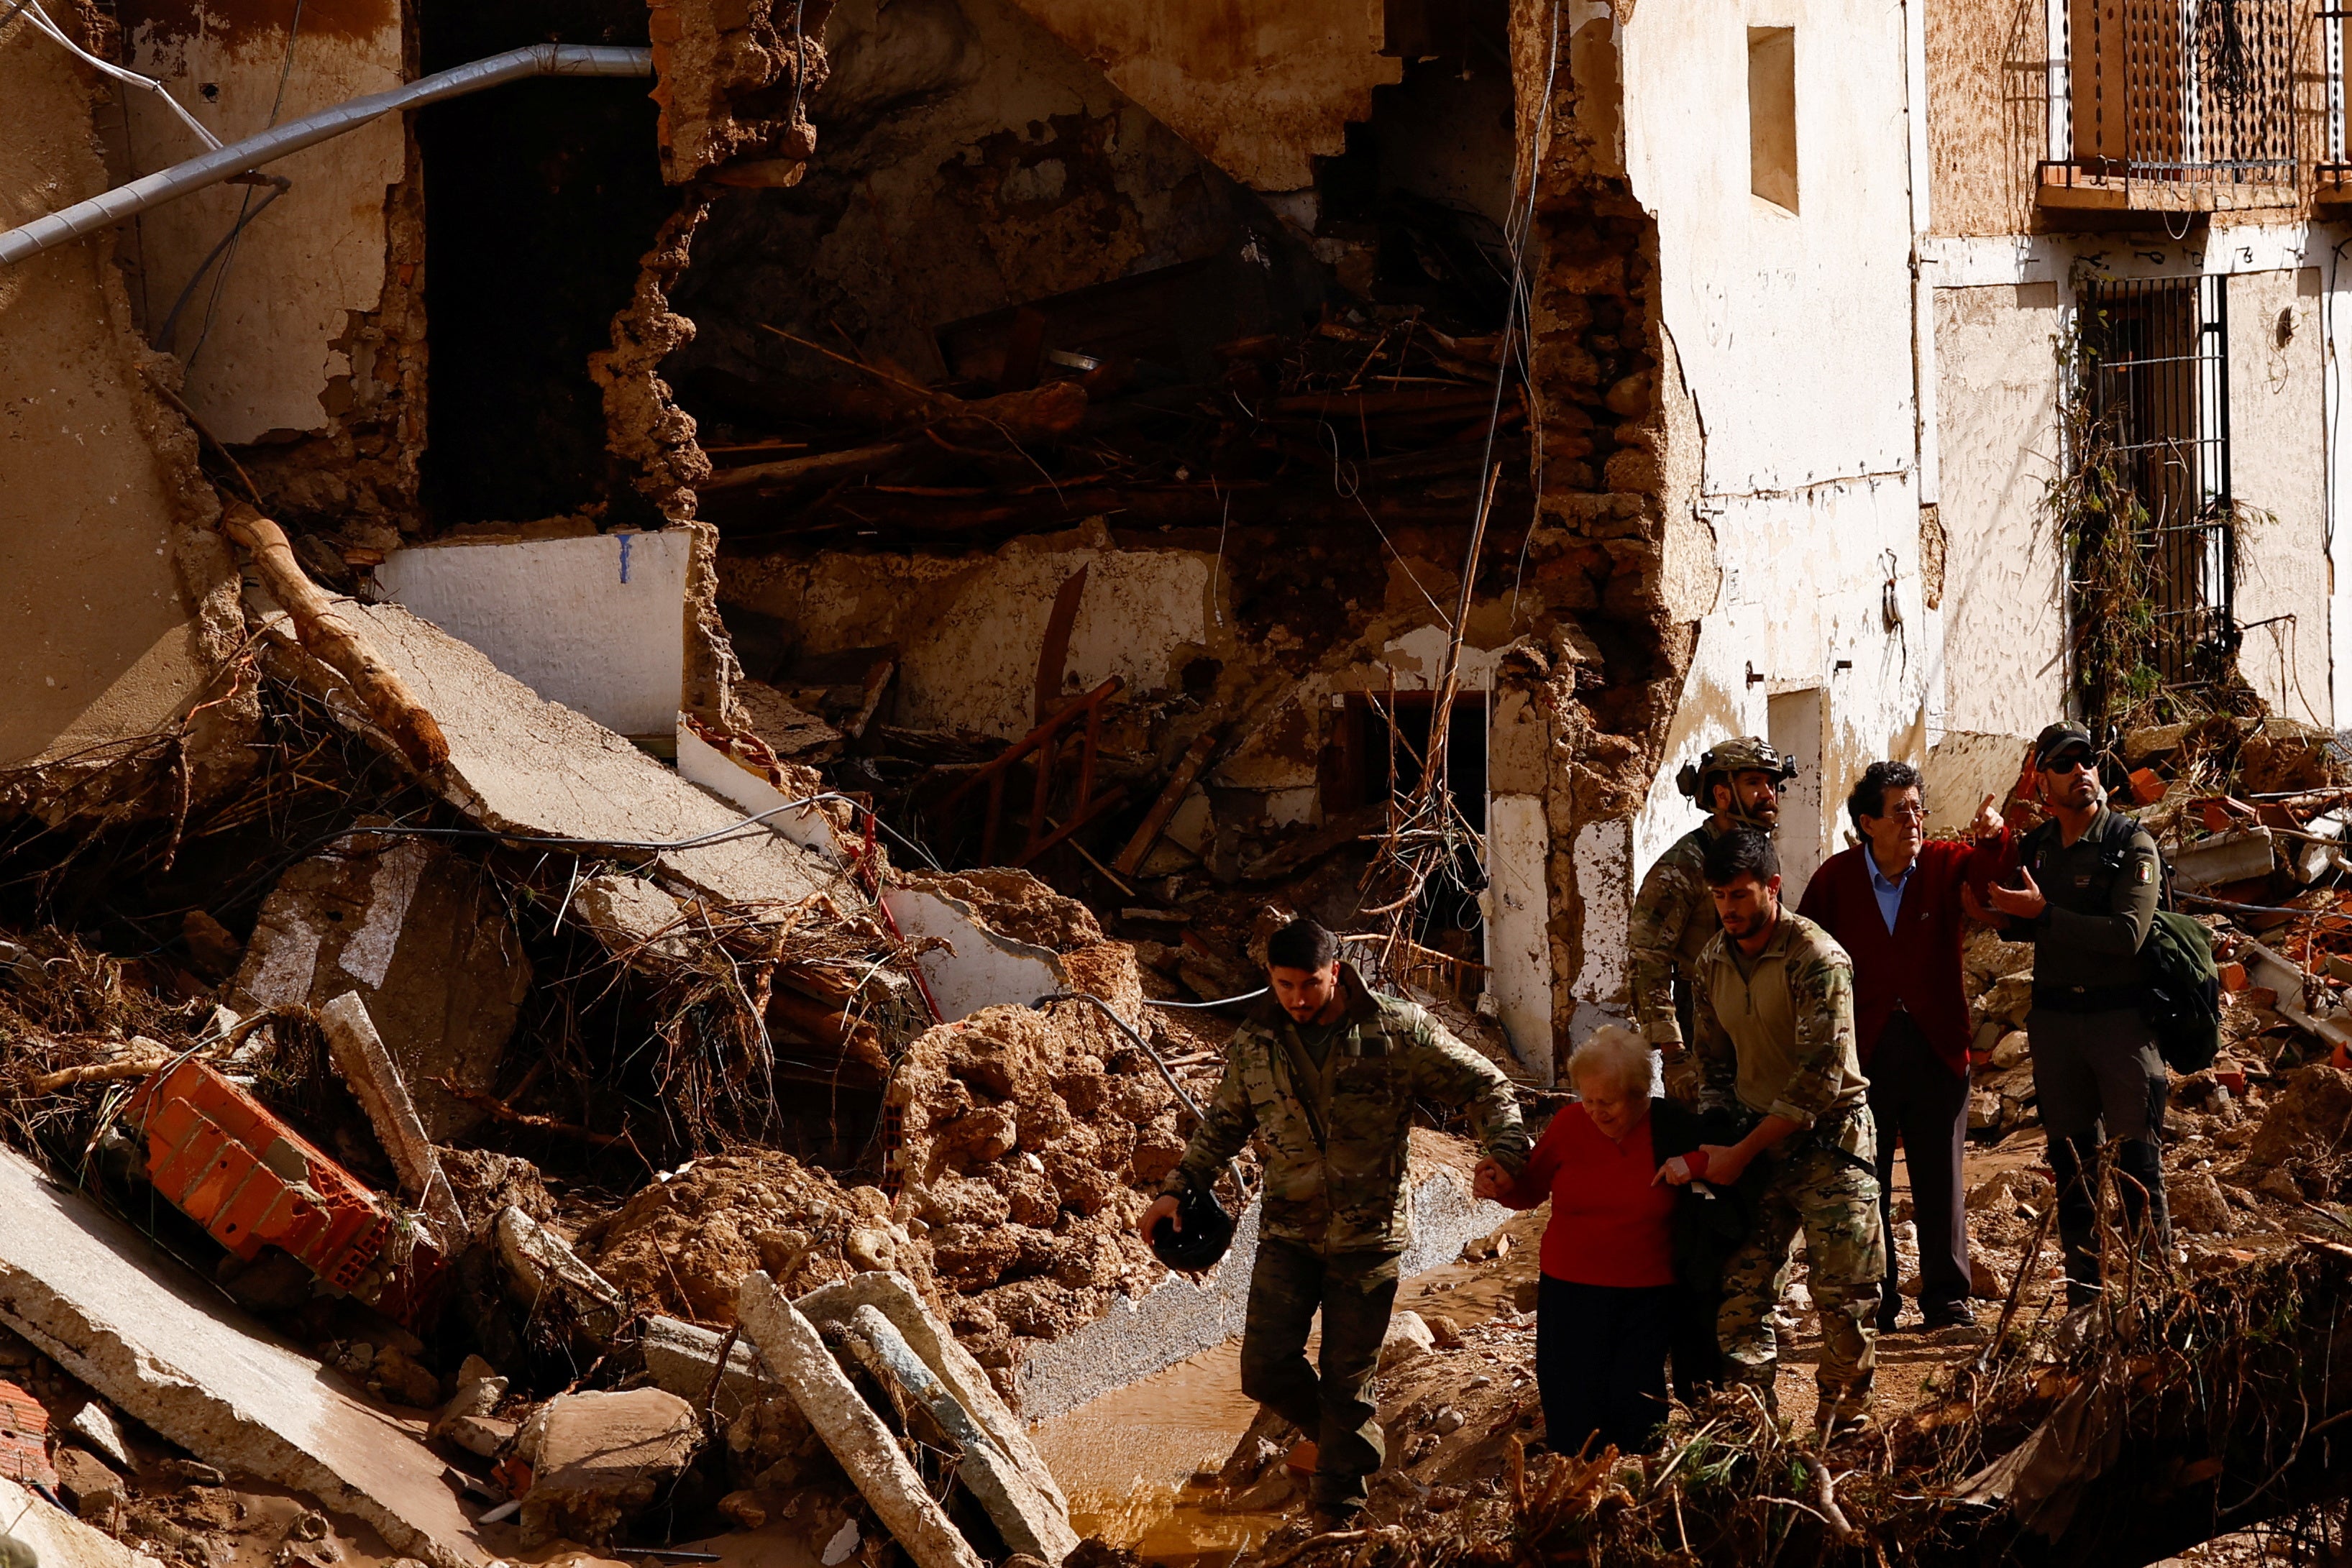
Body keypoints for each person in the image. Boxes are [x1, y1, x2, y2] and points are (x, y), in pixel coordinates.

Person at [1140, 917, 1529, 1524]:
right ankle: (1360, 1447)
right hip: (1287, 1234)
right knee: (1264, 1368)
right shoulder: (1255, 1042)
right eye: (1284, 984)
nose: (1296, 998)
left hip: (1367, 1240)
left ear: (1336, 973)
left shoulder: (1396, 1029)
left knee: (1348, 1383)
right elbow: (1221, 1126)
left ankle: (1336, 1517)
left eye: (1310, 984)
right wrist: (1176, 1190)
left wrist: (1503, 1153)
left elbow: (1485, 1084)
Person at [1662, 828, 1882, 1438]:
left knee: (1844, 1298)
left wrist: (1737, 1153)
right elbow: (1712, 1060)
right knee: (1740, 1296)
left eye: (1738, 894)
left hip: (1828, 1144)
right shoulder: (1711, 960)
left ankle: (1842, 1432)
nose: (1727, 909)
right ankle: (1749, 1435)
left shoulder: (1818, 959)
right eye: (1718, 896)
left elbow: (1817, 1080)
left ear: (1773, 888)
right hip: (1751, 1148)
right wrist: (1716, 1133)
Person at [1797, 762, 2007, 1333]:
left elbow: (1995, 879)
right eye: (1899, 810)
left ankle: (1946, 1300)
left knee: (1939, 1176)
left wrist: (1992, 836)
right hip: (1863, 1052)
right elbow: (1804, 955)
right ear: (1868, 822)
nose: (1913, 820)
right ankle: (1878, 1301)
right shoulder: (1835, 880)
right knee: (1869, 1179)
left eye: (1918, 807)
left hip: (1935, 1044)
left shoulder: (1941, 864)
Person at [1476, 1026, 1744, 1457]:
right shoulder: (1568, 1124)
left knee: (1637, 1411)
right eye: (1588, 1099)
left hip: (1646, 1296)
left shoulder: (1670, 1126)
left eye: (1609, 1103)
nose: (1596, 1113)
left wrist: (1691, 1163)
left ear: (1640, 1095)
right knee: (1571, 1411)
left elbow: (1732, 1160)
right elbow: (1530, 1191)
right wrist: (1500, 1186)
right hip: (1569, 1292)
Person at [1975, 723, 2170, 1306]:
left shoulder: (2128, 844)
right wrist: (1993, 905)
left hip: (2120, 1024)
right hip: (2057, 1025)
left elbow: (2127, 934)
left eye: (2087, 760)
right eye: (2065, 764)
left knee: (2138, 1163)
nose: (2080, 770)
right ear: (2042, 781)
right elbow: (2015, 916)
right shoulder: (2037, 847)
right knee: (2072, 1166)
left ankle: (2154, 1298)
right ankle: (2083, 1300)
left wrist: (2044, 913)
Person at [1629, 737, 1798, 1100]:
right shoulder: (1684, 863)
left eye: (1772, 783)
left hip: (1764, 1017)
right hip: (1705, 1026)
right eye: (1754, 783)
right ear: (1721, 795)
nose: (1769, 793)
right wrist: (1674, 1054)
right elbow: (1647, 961)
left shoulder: (1761, 853)